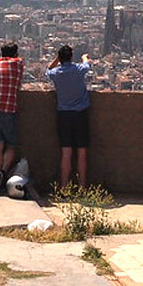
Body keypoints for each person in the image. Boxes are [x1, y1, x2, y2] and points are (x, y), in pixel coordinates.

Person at [45, 45, 92, 187]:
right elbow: (87, 64)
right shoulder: (79, 70)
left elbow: (47, 69)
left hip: (64, 115)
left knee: (66, 153)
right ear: (71, 57)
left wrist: (57, 60)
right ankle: (83, 187)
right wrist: (84, 57)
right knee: (82, 152)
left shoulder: (56, 73)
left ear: (60, 58)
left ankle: (64, 187)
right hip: (80, 114)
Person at [0, 42, 24, 190]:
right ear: (15, 54)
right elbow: (18, 84)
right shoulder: (18, 64)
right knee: (11, 145)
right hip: (7, 108)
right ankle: (3, 171)